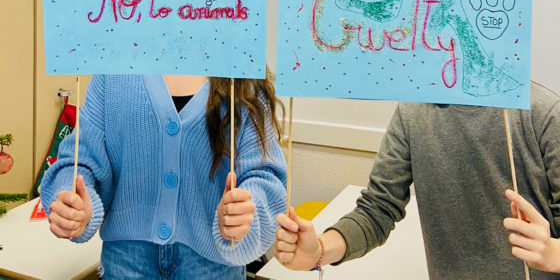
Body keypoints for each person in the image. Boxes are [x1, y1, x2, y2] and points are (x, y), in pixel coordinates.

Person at [274, 82, 560, 279]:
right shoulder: (414, 112)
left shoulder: (545, 113)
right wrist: (319, 251)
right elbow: (377, 210)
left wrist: (552, 254)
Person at [41, 72, 287, 279]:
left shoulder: (241, 75)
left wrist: (246, 211)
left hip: (214, 266)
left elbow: (264, 174)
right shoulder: (113, 71)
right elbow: (79, 159)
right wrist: (73, 199)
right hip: (126, 262)